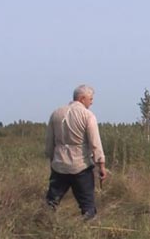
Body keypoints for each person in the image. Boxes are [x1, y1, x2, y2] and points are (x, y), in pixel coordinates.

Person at [45, 85, 108, 220]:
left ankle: (44, 226)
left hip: (59, 166)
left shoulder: (56, 113)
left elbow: (49, 143)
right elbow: (95, 143)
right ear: (82, 98)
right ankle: (83, 229)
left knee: (51, 204)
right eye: (90, 99)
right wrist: (101, 165)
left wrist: (53, 161)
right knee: (88, 208)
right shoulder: (87, 115)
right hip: (81, 166)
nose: (92, 102)